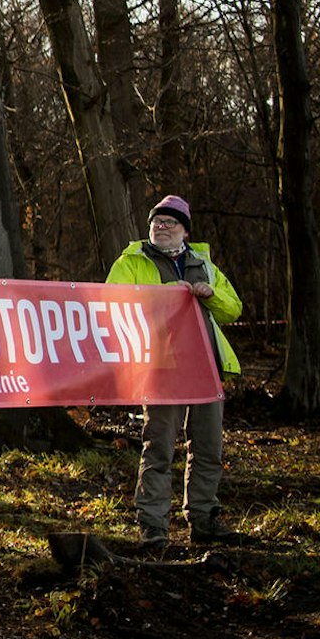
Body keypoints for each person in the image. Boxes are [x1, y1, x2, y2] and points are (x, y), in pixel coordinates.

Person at [107, 195, 252, 551]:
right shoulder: (132, 261)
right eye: (157, 222)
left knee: (208, 447)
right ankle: (153, 528)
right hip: (159, 368)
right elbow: (111, 301)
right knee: (158, 447)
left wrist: (210, 294)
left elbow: (233, 308)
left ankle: (203, 519)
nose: (162, 227)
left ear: (185, 230)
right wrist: (162, 296)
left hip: (206, 365)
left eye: (171, 222)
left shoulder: (203, 262)